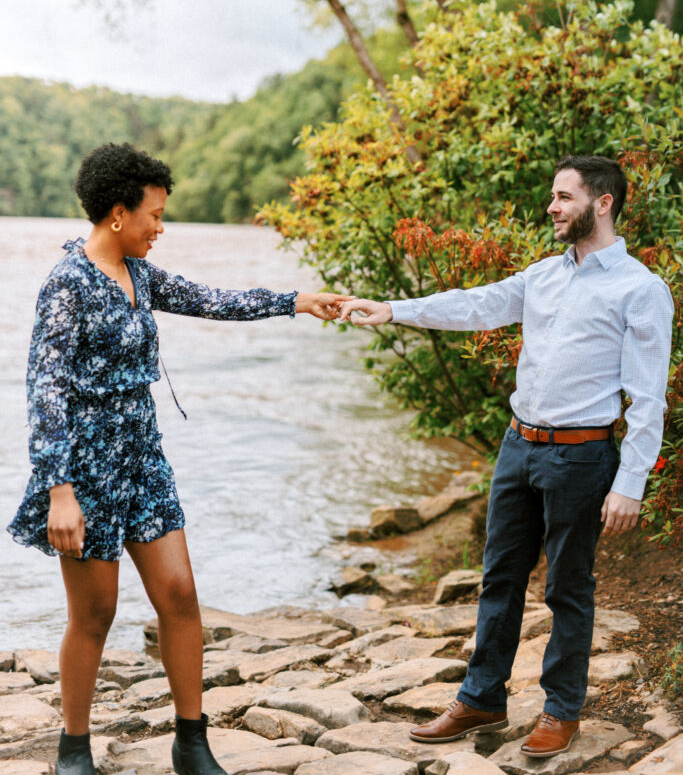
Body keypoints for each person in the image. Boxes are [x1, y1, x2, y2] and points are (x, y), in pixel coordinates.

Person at [8, 143, 349, 775]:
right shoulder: (66, 284)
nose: (161, 228)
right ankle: (73, 750)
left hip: (144, 462)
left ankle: (192, 742)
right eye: (155, 215)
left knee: (181, 594)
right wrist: (59, 489)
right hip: (85, 472)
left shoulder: (138, 274)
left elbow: (211, 299)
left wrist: (296, 299)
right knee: (96, 614)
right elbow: (44, 388)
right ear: (118, 214)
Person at [339, 155, 673, 758]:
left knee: (568, 589)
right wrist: (392, 310)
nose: (551, 206)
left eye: (563, 197)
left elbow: (648, 398)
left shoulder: (641, 290)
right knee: (498, 579)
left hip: (581, 457)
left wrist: (631, 482)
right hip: (518, 447)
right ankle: (482, 698)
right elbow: (475, 305)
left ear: (602, 203)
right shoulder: (543, 276)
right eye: (553, 196)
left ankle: (561, 709)